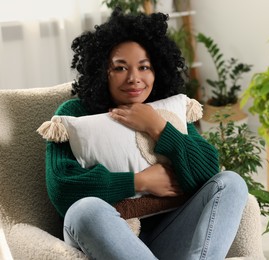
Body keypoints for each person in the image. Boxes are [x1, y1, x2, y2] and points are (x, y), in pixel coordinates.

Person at [45, 7, 248, 260]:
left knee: (232, 183)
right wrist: (140, 181)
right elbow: (63, 188)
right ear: (101, 72)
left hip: (166, 237)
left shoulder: (167, 111)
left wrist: (158, 128)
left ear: (157, 70)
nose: (134, 78)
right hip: (106, 236)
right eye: (120, 68)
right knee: (84, 209)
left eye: (144, 67)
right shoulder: (75, 113)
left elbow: (207, 173)